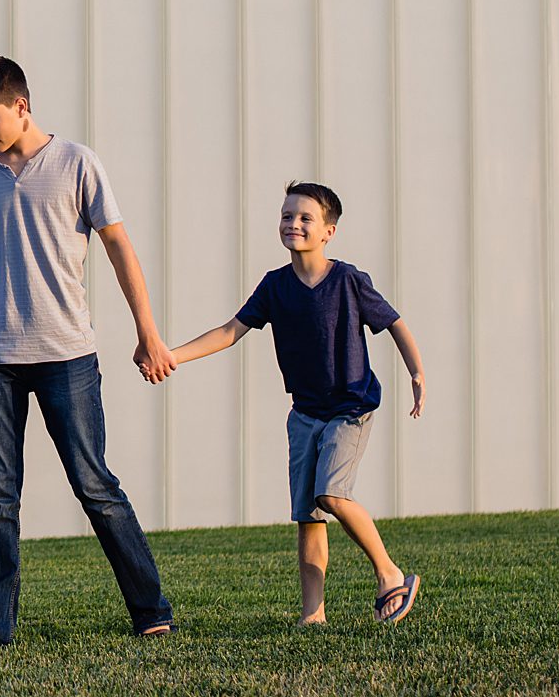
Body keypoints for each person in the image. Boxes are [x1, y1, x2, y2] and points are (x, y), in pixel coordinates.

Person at [0, 54, 177, 644]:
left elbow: (120, 247)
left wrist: (146, 331)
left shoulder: (77, 164)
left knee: (94, 485)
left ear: (22, 105)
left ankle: (151, 612)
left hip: (67, 355)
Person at [166, 181, 426, 626]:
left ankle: (390, 575)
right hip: (305, 413)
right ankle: (313, 614)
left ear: (329, 231)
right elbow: (231, 331)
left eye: (306, 218)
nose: (294, 224)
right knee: (308, 515)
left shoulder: (348, 281)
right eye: (287, 216)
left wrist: (416, 372)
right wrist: (173, 355)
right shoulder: (275, 286)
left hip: (350, 407)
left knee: (331, 494)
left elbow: (395, 323)